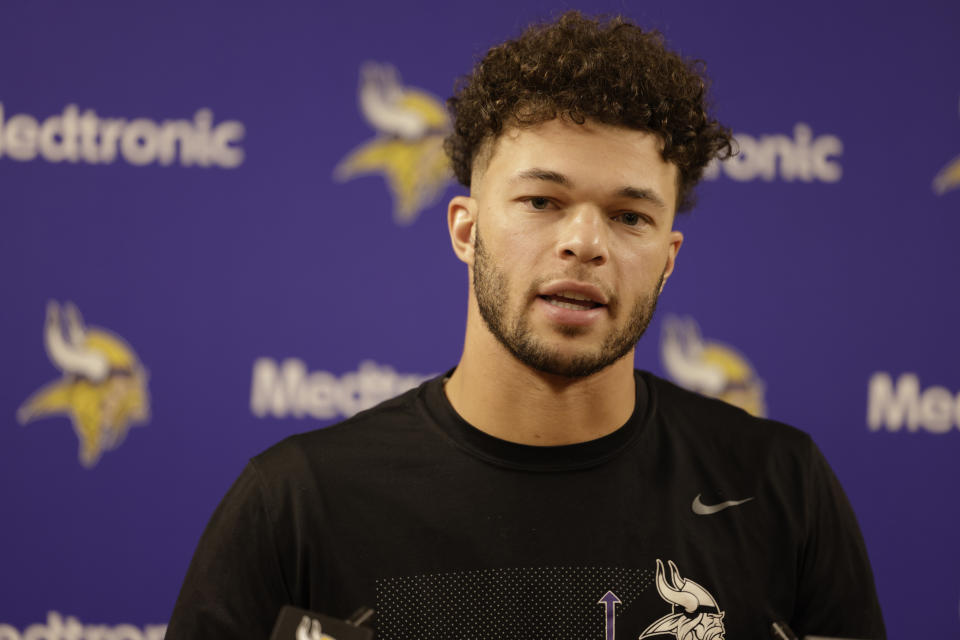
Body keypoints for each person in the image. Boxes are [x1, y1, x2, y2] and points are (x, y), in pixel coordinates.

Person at [167, 11, 885, 639]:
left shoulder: (781, 488)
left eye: (629, 216)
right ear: (465, 229)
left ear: (668, 260)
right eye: (542, 201)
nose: (584, 242)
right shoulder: (295, 504)